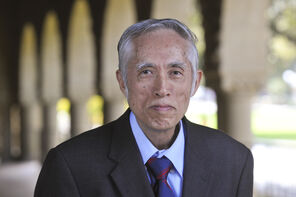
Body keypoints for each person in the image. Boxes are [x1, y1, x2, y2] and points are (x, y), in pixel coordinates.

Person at [34, 18, 253, 197]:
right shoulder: (69, 166)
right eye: (146, 72)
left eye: (175, 72)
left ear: (195, 82)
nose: (162, 88)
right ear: (122, 82)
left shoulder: (234, 160)